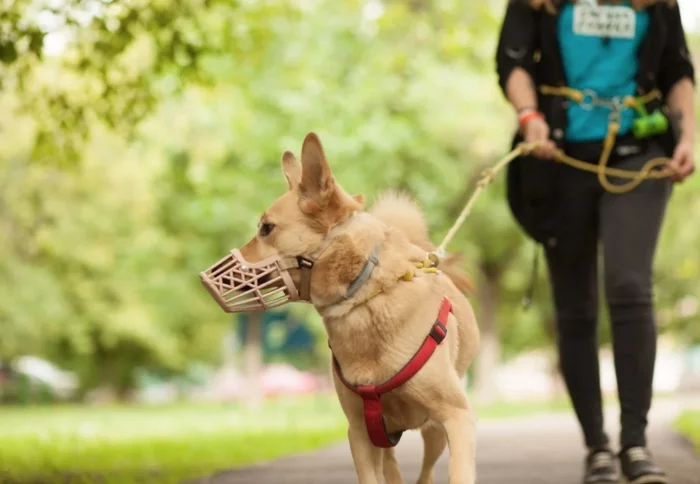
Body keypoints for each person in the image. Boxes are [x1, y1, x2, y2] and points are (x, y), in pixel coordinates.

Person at [495, 1, 695, 483]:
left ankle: (635, 443)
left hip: (638, 154)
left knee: (629, 285)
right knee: (575, 307)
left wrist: (688, 135)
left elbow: (677, 71)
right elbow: (513, 62)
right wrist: (529, 117)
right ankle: (597, 447)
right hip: (559, 155)